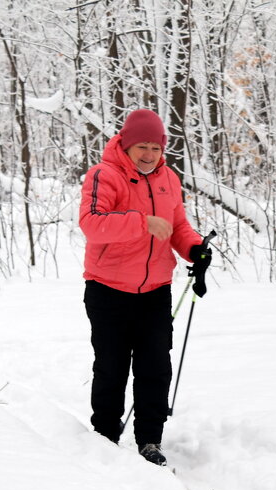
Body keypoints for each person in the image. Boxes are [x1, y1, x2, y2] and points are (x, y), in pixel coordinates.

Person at [78, 108, 213, 466]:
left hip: (155, 290)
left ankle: (150, 439)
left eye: (156, 147)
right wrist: (141, 223)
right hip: (108, 289)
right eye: (142, 147)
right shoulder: (103, 175)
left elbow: (177, 227)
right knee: (112, 365)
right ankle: (105, 435)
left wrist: (195, 248)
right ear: (125, 143)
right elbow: (92, 223)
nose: (149, 155)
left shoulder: (168, 178)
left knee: (155, 367)